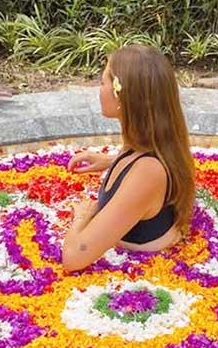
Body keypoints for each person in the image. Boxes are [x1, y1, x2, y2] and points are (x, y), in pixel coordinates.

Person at [62, 45, 195, 272]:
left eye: (103, 81)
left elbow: (73, 259)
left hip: (142, 276)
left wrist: (84, 216)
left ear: (121, 96)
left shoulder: (148, 172)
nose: (99, 88)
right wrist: (112, 161)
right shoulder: (152, 142)